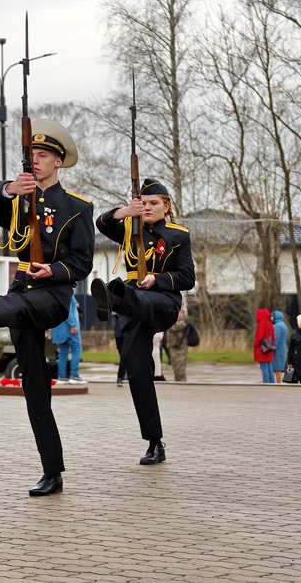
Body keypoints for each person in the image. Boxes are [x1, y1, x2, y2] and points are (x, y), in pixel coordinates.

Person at [0, 118, 94, 496]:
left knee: (9, 306)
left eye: (44, 154)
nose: (36, 159)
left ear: (58, 162)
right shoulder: (19, 200)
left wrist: (53, 269)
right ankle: (52, 471)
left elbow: (82, 262)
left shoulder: (78, 207)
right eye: (32, 153)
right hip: (20, 291)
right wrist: (9, 188)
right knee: (34, 387)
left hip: (52, 293)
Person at [91, 177, 195, 466]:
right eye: (143, 203)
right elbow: (101, 223)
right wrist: (125, 211)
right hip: (134, 306)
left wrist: (157, 278)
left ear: (166, 206)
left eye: (153, 203)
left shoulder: (178, 235)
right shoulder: (129, 228)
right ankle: (154, 443)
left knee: (131, 292)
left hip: (163, 302)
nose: (147, 207)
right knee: (137, 373)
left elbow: (188, 278)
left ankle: (113, 298)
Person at [52, 297, 85, 384]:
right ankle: (74, 375)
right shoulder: (69, 295)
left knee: (63, 353)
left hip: (59, 329)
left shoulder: (57, 296)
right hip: (69, 329)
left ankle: (62, 376)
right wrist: (73, 325)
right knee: (77, 349)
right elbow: (68, 312)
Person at [164, 310, 190, 382]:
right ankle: (178, 379)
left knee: (180, 365)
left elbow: (173, 328)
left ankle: (181, 380)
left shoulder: (183, 322)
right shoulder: (178, 322)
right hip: (173, 345)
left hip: (180, 347)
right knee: (175, 364)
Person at [254, 308, 275, 383]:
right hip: (269, 348)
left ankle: (266, 383)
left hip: (262, 349)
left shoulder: (262, 324)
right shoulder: (270, 324)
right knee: (269, 367)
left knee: (264, 368)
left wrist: (255, 345)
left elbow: (259, 337)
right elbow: (273, 337)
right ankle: (272, 382)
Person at [271, 310, 289, 383]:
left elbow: (276, 338)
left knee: (277, 367)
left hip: (277, 350)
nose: (271, 318)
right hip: (282, 348)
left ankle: (278, 382)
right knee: (280, 366)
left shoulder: (277, 326)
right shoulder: (284, 325)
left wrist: (271, 347)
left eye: (272, 316)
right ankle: (278, 381)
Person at [114, 311, 129, 386]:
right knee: (123, 355)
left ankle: (120, 376)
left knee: (124, 355)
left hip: (127, 332)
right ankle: (124, 373)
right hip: (119, 332)